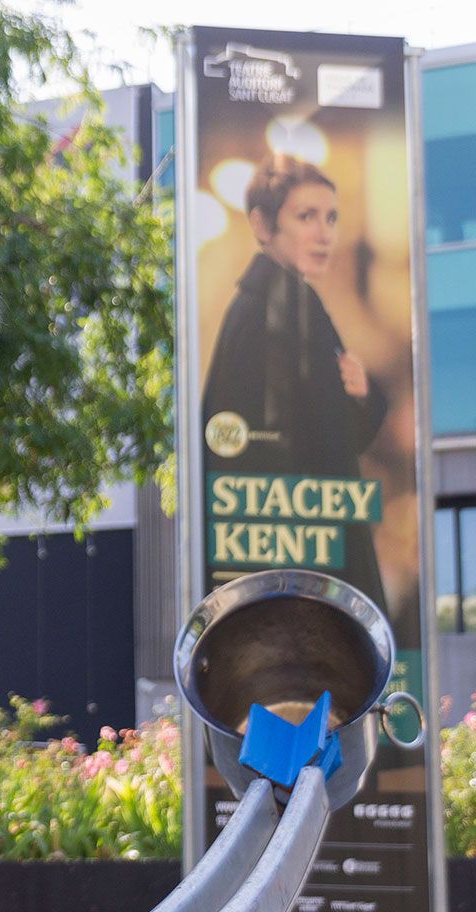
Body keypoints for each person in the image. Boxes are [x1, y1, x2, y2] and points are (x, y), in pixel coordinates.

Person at [201, 153, 388, 606]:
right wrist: (368, 399)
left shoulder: (260, 303)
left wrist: (361, 393)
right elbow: (328, 438)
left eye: (331, 217)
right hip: (307, 555)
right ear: (263, 225)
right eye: (306, 216)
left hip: (284, 548)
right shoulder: (285, 305)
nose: (324, 233)